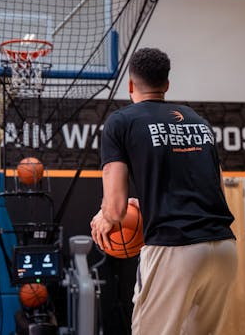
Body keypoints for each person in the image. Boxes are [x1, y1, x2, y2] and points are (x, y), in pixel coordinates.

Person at [90, 48, 237, 335]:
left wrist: (105, 218)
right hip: (223, 250)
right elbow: (216, 189)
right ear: (167, 84)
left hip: (175, 249)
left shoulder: (120, 122)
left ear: (130, 84)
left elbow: (116, 209)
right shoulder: (198, 120)